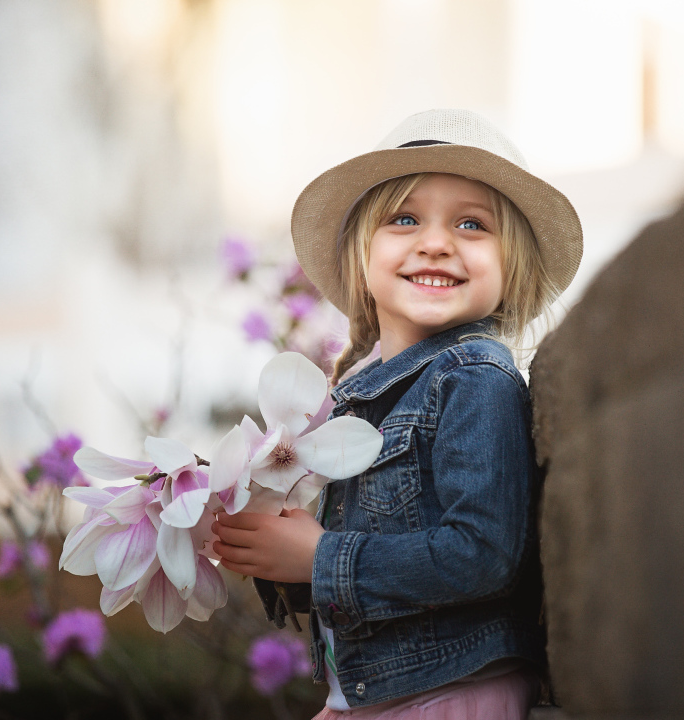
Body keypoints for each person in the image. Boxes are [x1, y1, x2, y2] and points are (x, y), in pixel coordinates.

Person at [212, 109, 583, 719]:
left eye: (471, 224)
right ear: (363, 257)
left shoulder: (474, 379)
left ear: (511, 266)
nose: (435, 242)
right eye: (405, 219)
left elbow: (483, 554)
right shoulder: (366, 396)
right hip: (375, 696)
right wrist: (274, 549)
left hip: (449, 694)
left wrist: (320, 558)